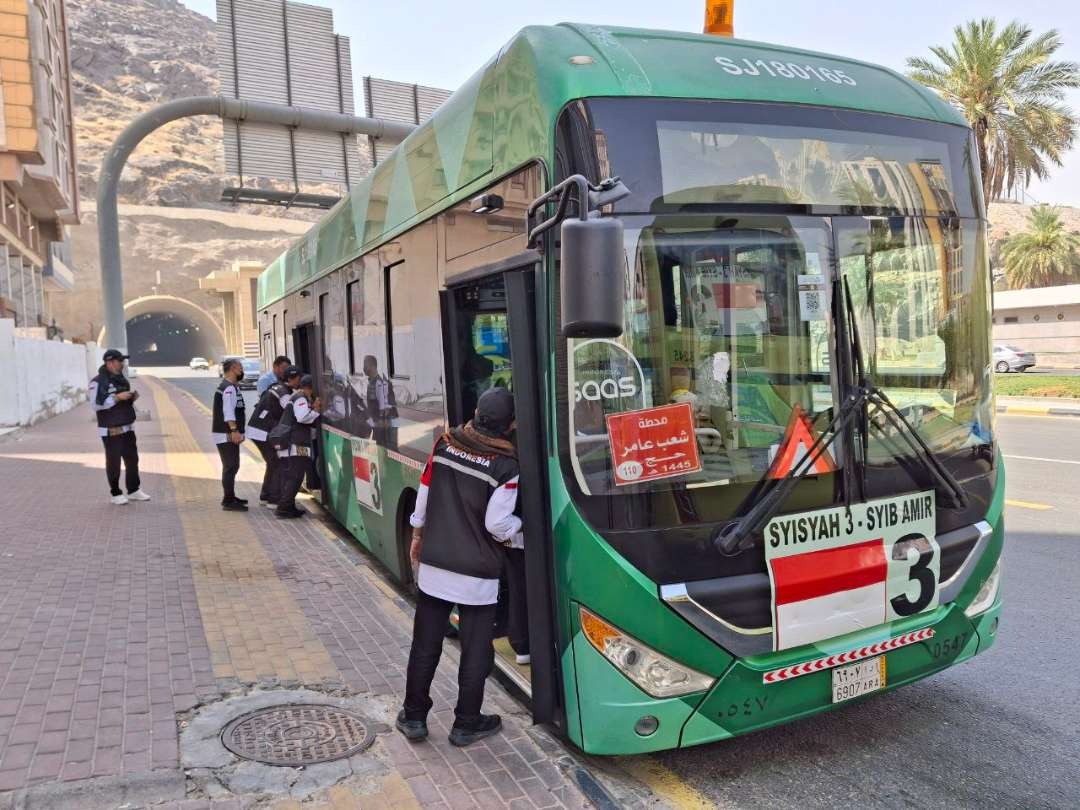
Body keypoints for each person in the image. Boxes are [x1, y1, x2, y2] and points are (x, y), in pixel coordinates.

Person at [397, 387, 519, 747]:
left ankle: (415, 717)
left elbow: (424, 494)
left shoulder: (445, 445)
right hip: (477, 576)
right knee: (475, 649)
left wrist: (417, 535)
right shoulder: (506, 467)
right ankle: (466, 723)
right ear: (510, 425)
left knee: (425, 645)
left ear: (478, 413)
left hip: (436, 566)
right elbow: (498, 526)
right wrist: (522, 530)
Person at [89, 349, 151, 505]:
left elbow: (123, 400)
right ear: (110, 362)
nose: (122, 364)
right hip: (111, 429)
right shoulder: (97, 382)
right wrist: (117, 397)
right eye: (119, 361)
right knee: (114, 462)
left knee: (132, 460)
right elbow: (96, 405)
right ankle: (115, 493)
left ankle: (134, 490)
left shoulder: (122, 380)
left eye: (123, 361)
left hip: (127, 426)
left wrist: (130, 398)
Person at [246, 365, 301, 508]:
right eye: (299, 378)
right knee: (277, 463)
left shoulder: (277, 387)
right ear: (292, 379)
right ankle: (274, 499)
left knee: (272, 463)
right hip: (262, 431)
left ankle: (265, 496)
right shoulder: (284, 393)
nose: (300, 381)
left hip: (257, 429)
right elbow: (293, 412)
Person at [275, 375, 321, 519]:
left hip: (291, 444)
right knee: (295, 477)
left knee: (292, 477)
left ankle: (289, 507)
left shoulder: (297, 397)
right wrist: (316, 411)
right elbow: (301, 417)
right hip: (293, 445)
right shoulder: (301, 398)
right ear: (310, 388)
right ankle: (283, 508)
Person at [213, 358, 248, 511]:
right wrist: (234, 430)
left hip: (227, 433)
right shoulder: (228, 388)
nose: (242, 370)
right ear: (234, 368)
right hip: (226, 433)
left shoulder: (231, 386)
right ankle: (228, 500)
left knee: (232, 465)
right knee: (230, 466)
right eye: (240, 367)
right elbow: (228, 412)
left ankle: (230, 496)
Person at [363, 355, 398, 446]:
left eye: (365, 365)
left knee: (387, 449)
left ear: (373, 366)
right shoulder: (374, 382)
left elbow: (376, 408)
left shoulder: (377, 383)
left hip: (384, 423)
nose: (364, 368)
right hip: (382, 423)